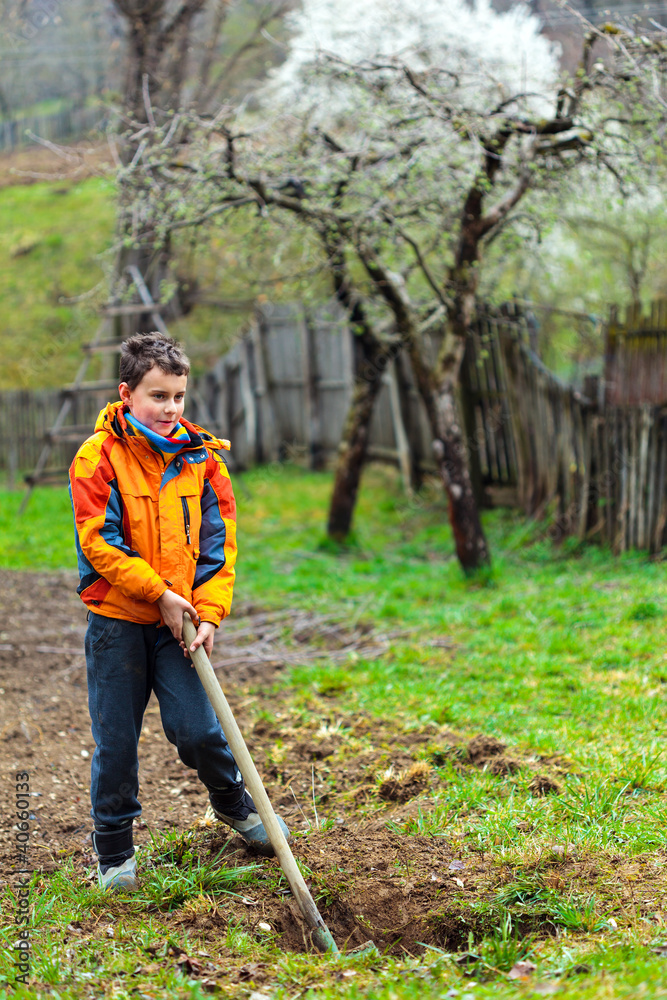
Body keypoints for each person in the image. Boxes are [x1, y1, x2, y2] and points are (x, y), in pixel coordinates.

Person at [69, 331, 290, 891]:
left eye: (178, 397)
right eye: (157, 396)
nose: (170, 409)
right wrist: (160, 595)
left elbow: (220, 547)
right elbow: (100, 542)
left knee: (198, 731)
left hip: (182, 626)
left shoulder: (204, 462)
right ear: (127, 393)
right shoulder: (97, 458)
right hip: (118, 624)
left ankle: (235, 806)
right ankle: (115, 853)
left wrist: (209, 612)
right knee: (116, 742)